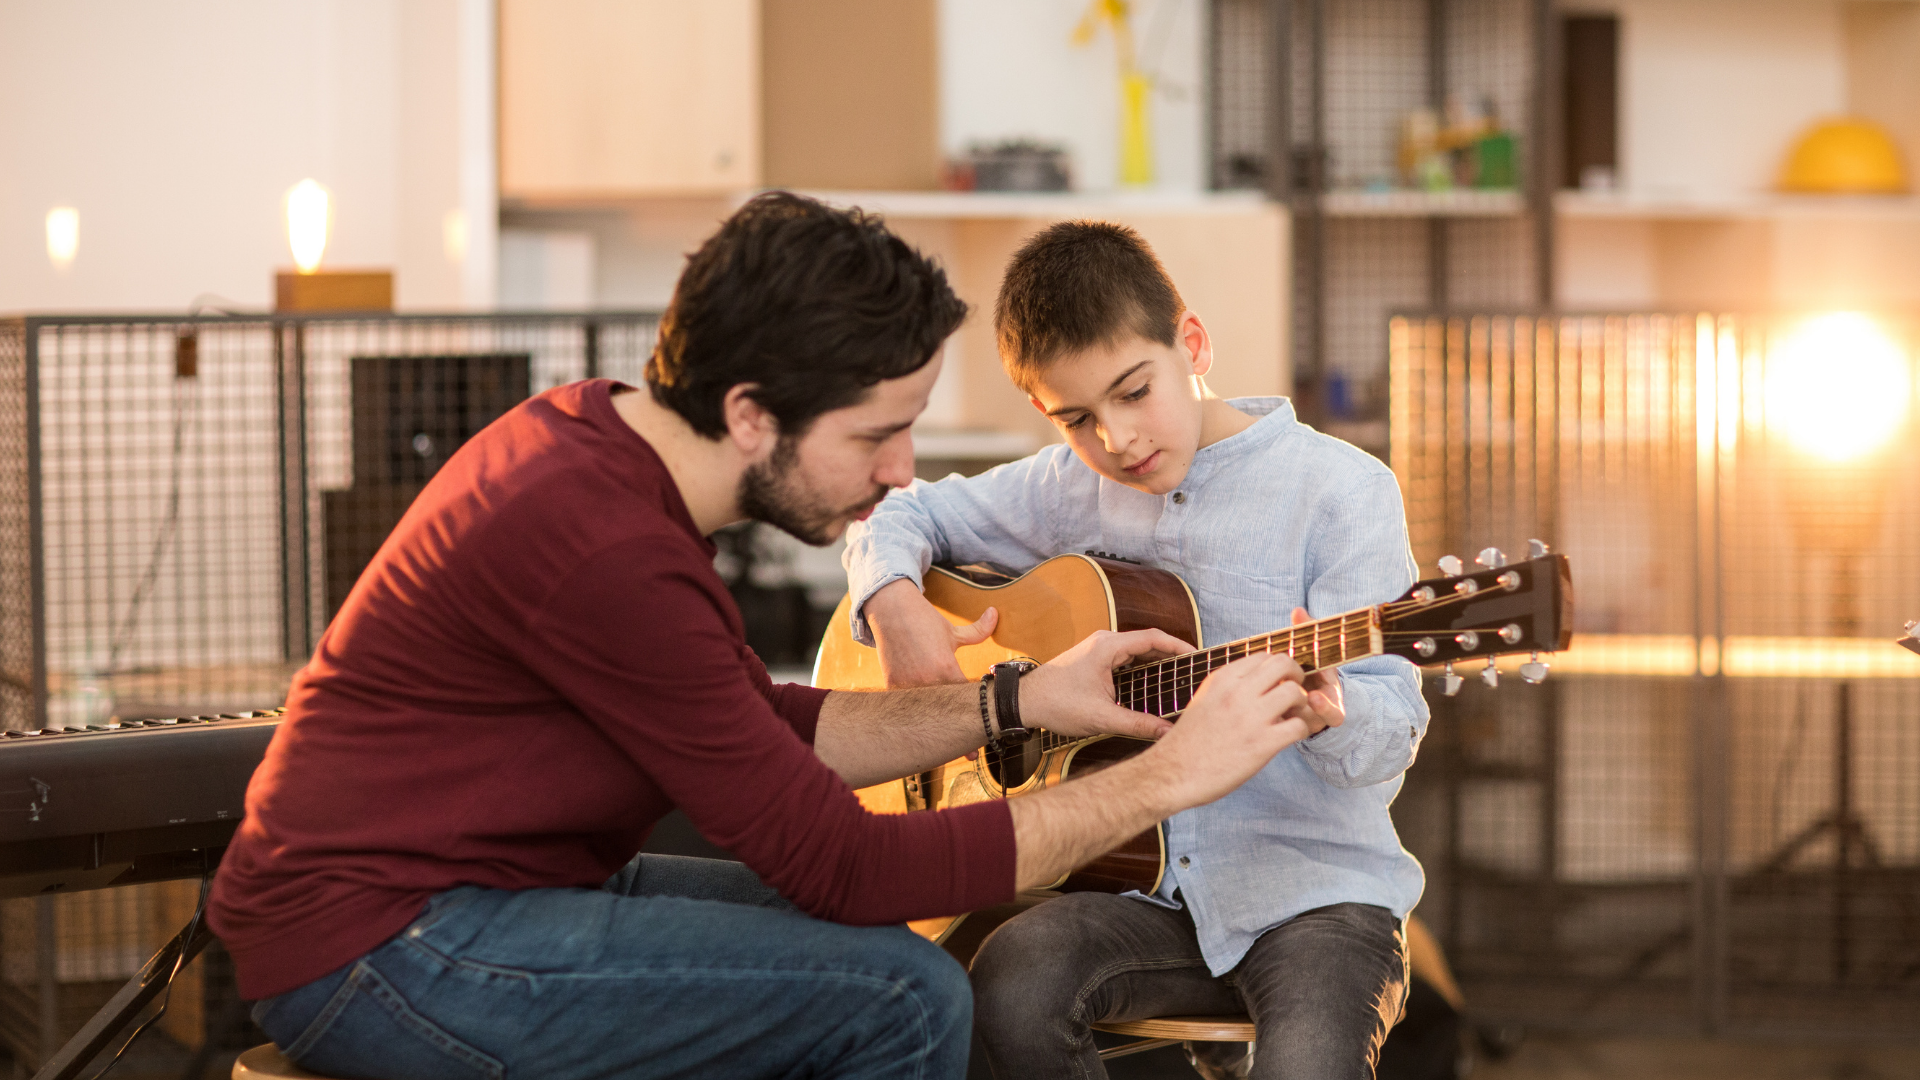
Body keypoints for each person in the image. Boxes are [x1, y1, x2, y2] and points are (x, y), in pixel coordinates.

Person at [206, 193, 1324, 1080]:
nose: (900, 475)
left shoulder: (600, 449)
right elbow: (843, 865)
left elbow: (765, 726)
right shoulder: (602, 547)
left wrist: (1016, 701)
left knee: (899, 958)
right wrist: (1166, 778)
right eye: (877, 435)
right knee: (902, 994)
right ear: (751, 413)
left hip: (489, 896)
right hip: (381, 948)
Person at [842, 220, 1430, 1079]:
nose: (1115, 440)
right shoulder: (1068, 489)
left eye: (1133, 391)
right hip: (1141, 900)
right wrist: (894, 604)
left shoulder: (1341, 490)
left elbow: (1390, 734)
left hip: (1317, 897)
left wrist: (1332, 710)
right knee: (1010, 979)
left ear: (1190, 342)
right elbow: (896, 511)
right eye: (1076, 418)